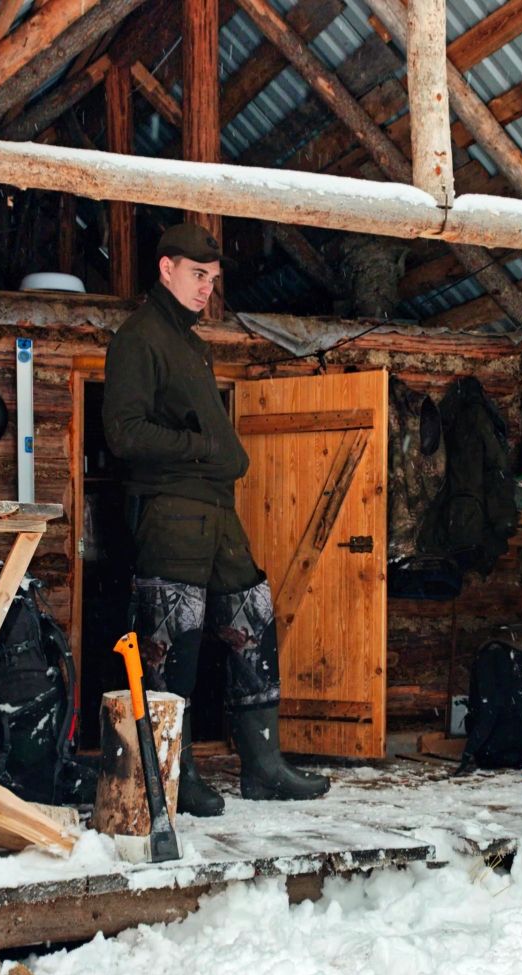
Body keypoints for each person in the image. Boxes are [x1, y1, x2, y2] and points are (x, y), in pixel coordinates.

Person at [103, 222, 330, 816]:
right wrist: (203, 449)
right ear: (166, 269)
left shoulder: (191, 344)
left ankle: (263, 765)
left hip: (216, 510)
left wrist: (214, 454)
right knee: (171, 640)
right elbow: (122, 434)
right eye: (198, 275)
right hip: (170, 507)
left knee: (251, 615)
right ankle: (175, 776)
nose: (207, 288)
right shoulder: (139, 337)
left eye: (213, 279)